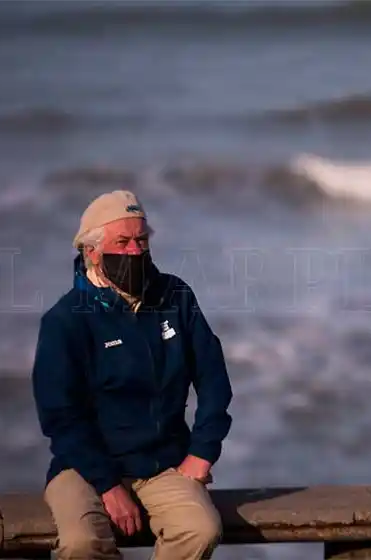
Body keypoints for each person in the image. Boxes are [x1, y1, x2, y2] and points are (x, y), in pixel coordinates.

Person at [31, 190, 233, 560]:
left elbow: (214, 379)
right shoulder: (65, 321)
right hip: (84, 469)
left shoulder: (176, 297)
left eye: (142, 240)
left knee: (200, 530)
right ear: (91, 252)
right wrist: (109, 486)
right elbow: (60, 418)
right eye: (122, 242)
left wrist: (202, 453)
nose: (135, 251)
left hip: (163, 466)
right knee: (81, 545)